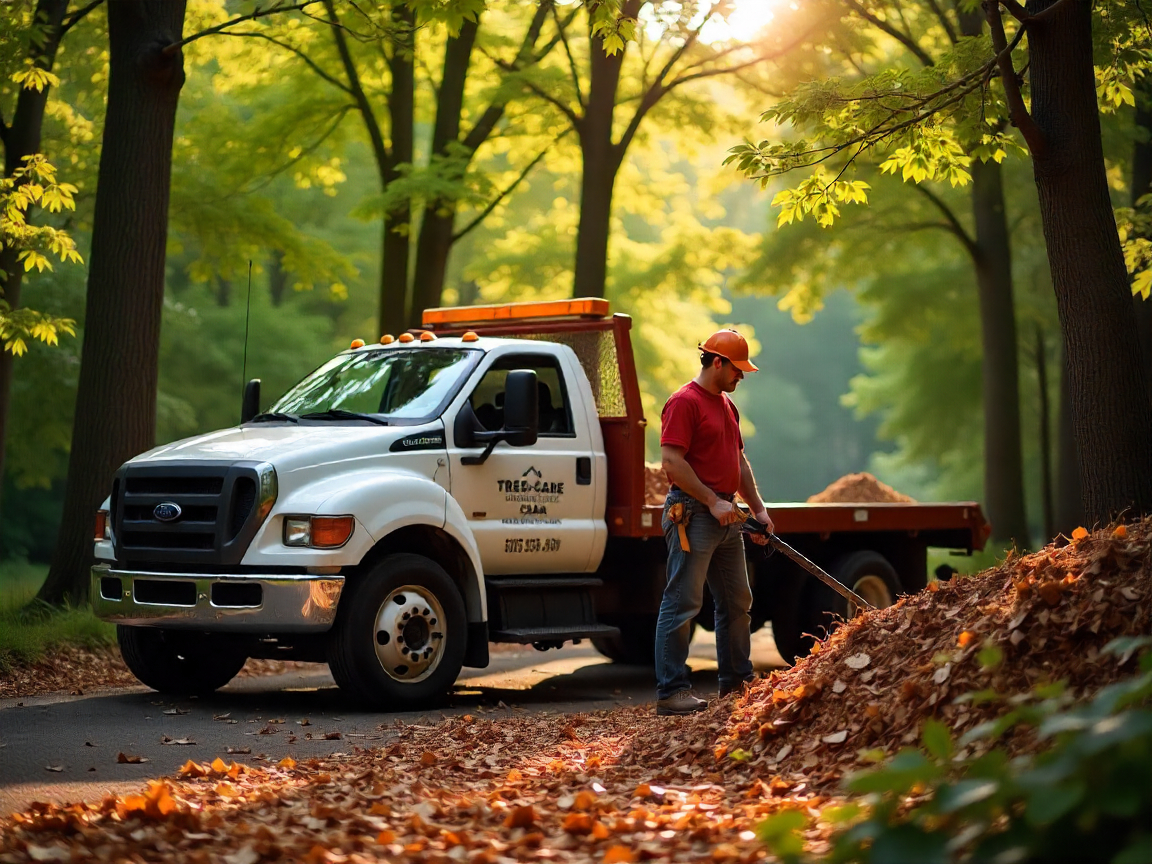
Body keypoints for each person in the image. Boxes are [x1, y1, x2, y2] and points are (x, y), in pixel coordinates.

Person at [654, 328, 774, 716]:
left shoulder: (727, 406)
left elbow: (738, 462)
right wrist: (711, 501)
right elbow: (672, 462)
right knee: (683, 602)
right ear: (717, 362)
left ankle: (737, 684)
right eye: (737, 369)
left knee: (738, 600)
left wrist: (758, 510)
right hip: (692, 513)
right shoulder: (684, 402)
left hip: (727, 514)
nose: (741, 376)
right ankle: (672, 692)